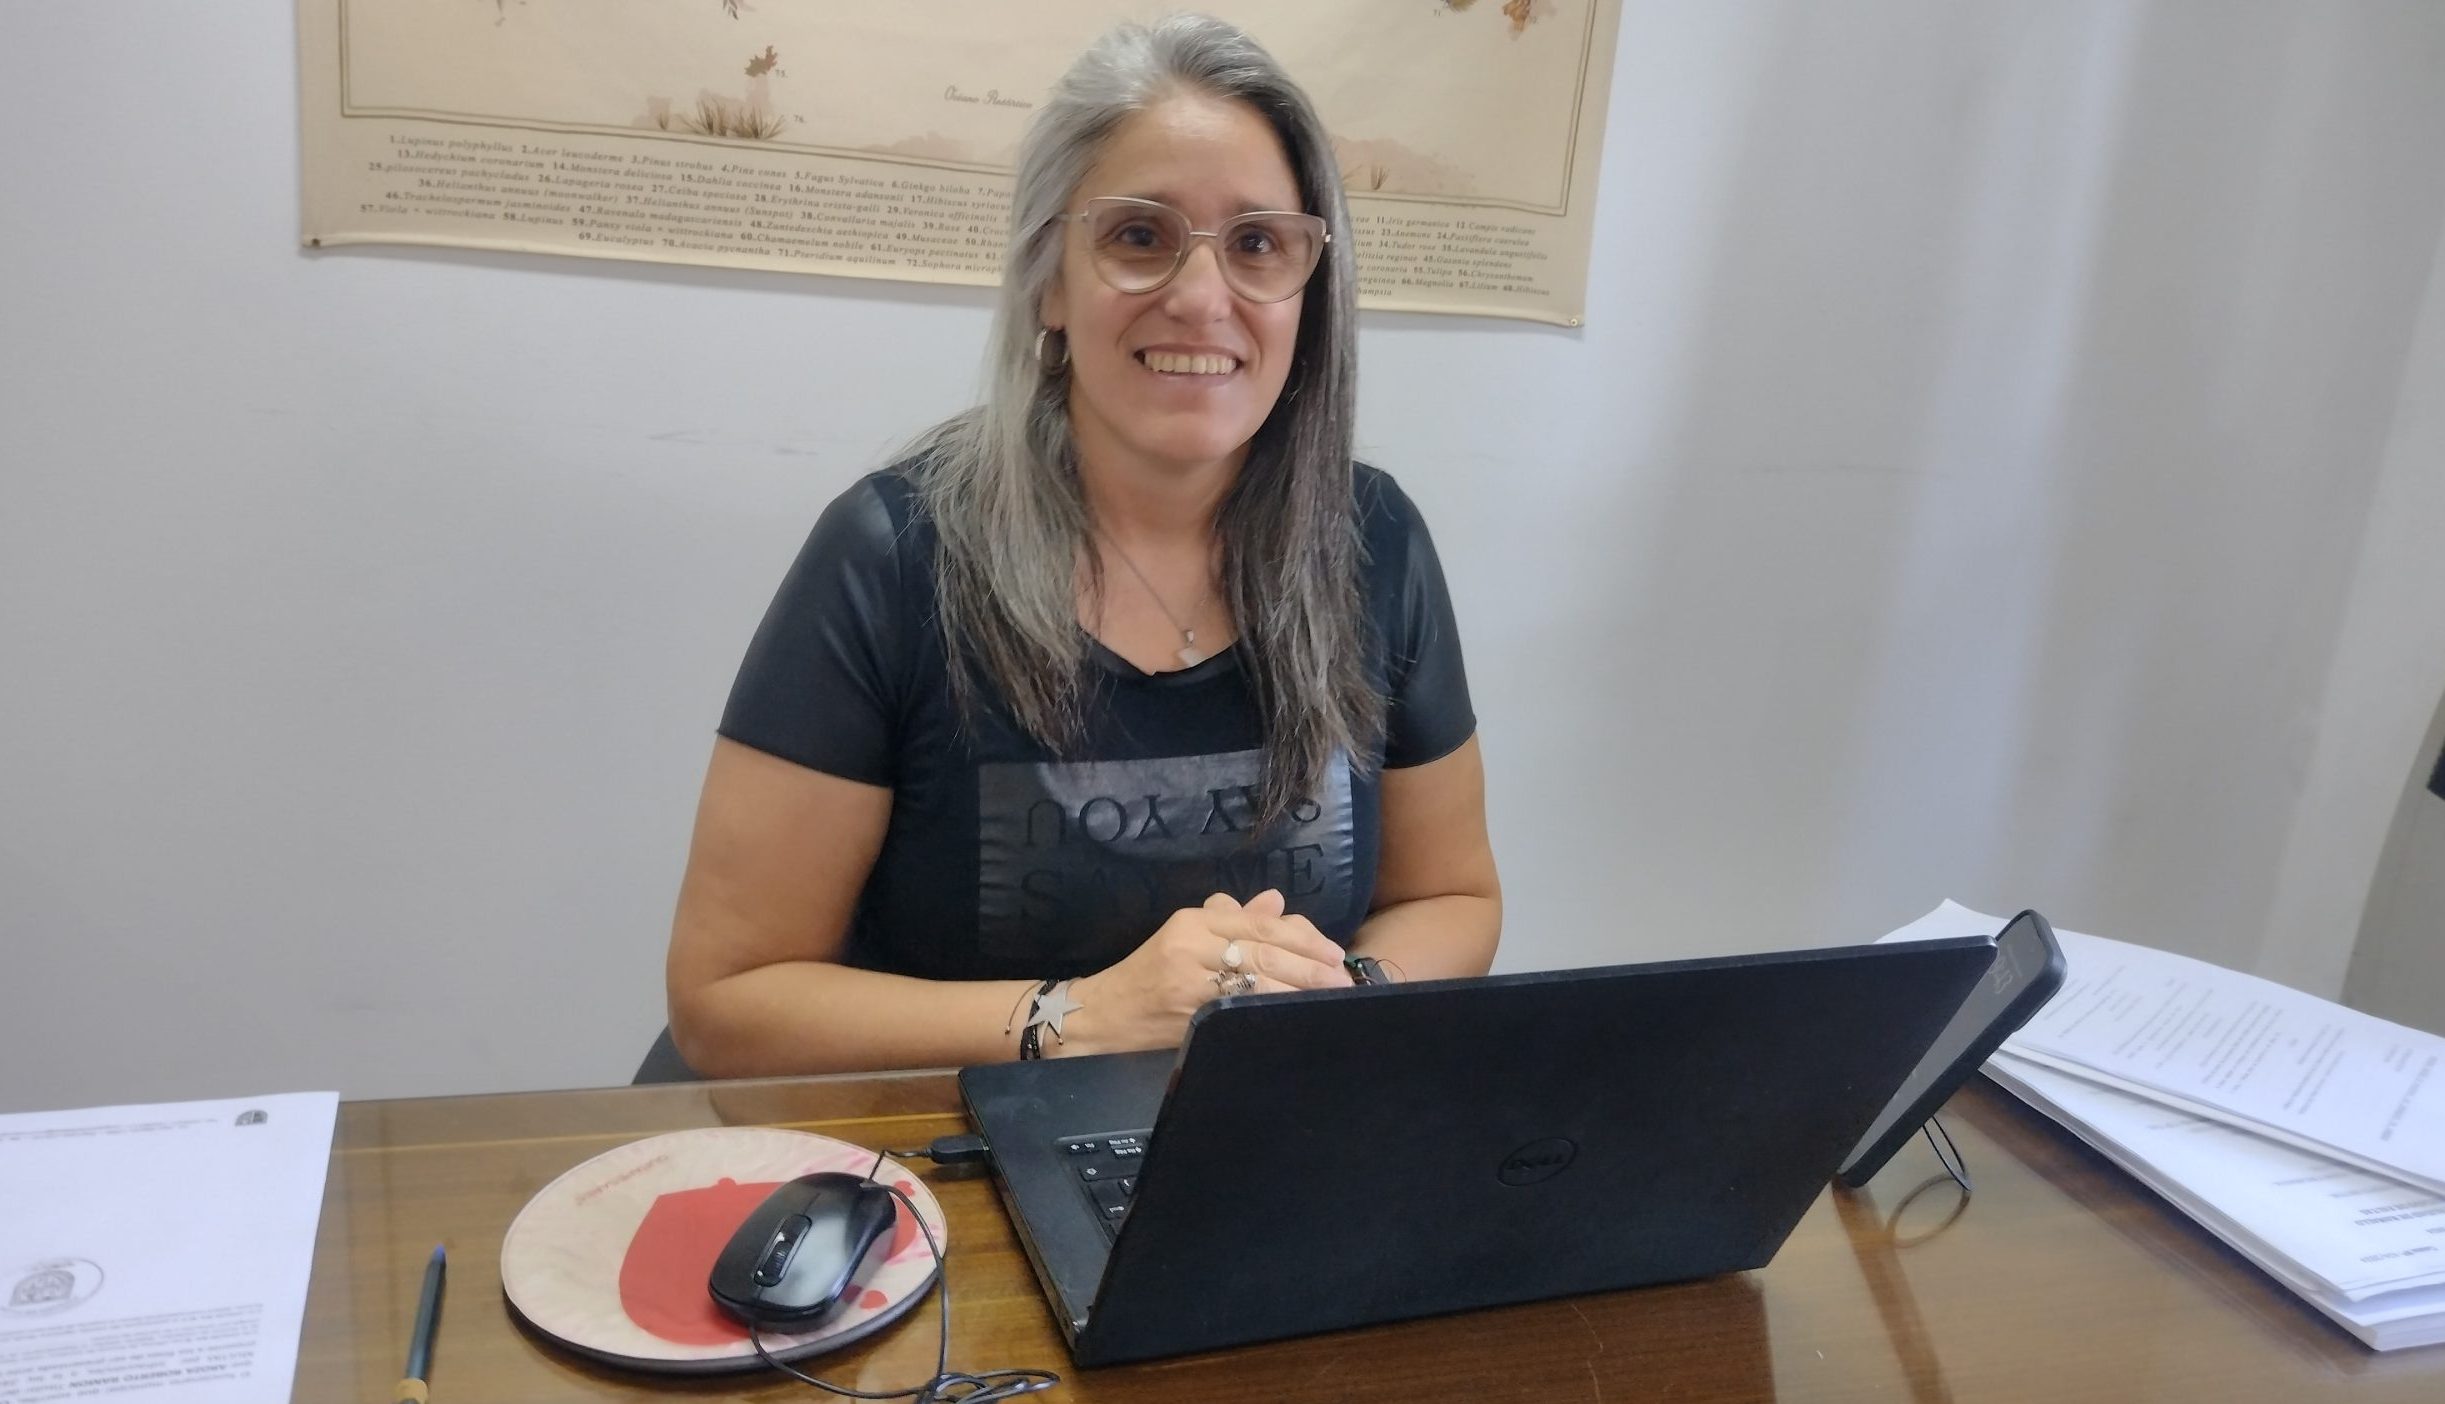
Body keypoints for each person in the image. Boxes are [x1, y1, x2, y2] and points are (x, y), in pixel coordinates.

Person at [663, 14, 1499, 1078]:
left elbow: (1450, 897)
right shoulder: (892, 555)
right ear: (1048, 280)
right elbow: (727, 999)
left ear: (1310, 292)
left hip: (1253, 1133)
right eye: (1140, 236)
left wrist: (1341, 1000)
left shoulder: (1374, 540)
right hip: (947, 1147)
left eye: (1257, 244)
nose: (1201, 298)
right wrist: (1078, 1018)